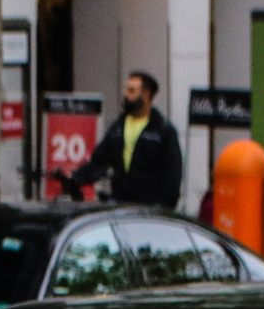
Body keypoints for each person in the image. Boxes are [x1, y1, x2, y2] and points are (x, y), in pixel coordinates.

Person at [60, 70, 183, 209]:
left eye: (131, 91)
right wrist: (76, 177)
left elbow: (172, 174)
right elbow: (100, 161)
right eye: (126, 89)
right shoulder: (118, 127)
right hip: (120, 204)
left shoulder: (163, 130)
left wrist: (164, 207)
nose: (126, 95)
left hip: (149, 208)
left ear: (147, 94)